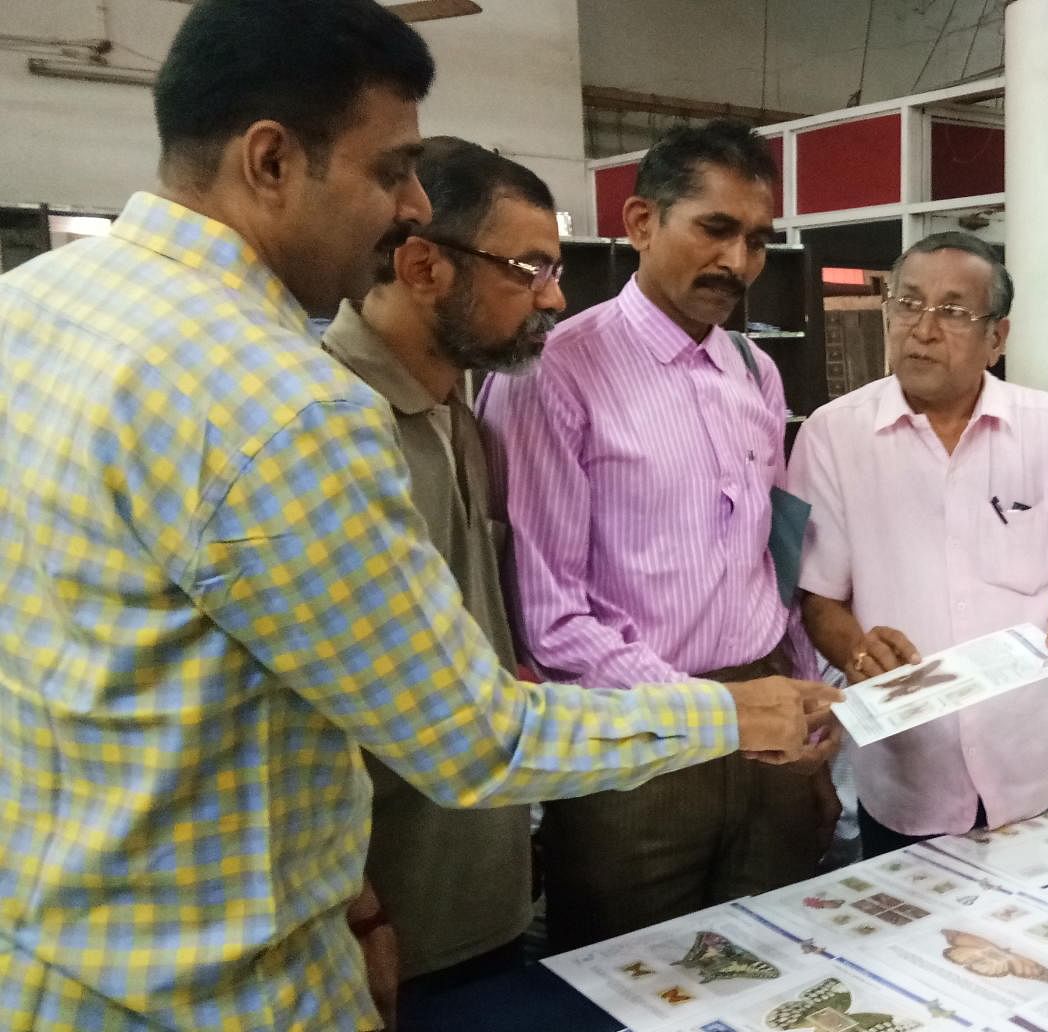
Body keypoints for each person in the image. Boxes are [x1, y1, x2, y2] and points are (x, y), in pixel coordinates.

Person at [0, 3, 840, 1029]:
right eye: (389, 170)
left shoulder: (35, 303)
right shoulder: (287, 404)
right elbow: (470, 739)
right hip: (216, 988)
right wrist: (726, 711)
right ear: (270, 160)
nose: (407, 207)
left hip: (63, 947)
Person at [477, 119, 842, 952]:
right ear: (642, 223)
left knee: (777, 966)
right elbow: (550, 616)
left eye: (757, 240)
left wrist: (801, 696)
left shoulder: (756, 370)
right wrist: (712, 711)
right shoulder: (555, 372)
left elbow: (771, 562)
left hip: (770, 737)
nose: (739, 264)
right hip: (636, 743)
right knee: (634, 977)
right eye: (715, 230)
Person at [790, 231, 1048, 858]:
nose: (922, 329)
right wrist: (859, 650)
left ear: (997, 338)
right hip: (907, 773)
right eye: (906, 303)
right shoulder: (832, 436)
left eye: (952, 312)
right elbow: (819, 600)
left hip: (1041, 761)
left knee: (1047, 943)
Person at [323, 137, 564, 1014]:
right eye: (528, 269)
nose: (554, 297)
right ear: (424, 264)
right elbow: (306, 713)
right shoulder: (329, 425)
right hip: (386, 922)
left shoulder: (462, 416)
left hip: (485, 882)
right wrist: (358, 906)